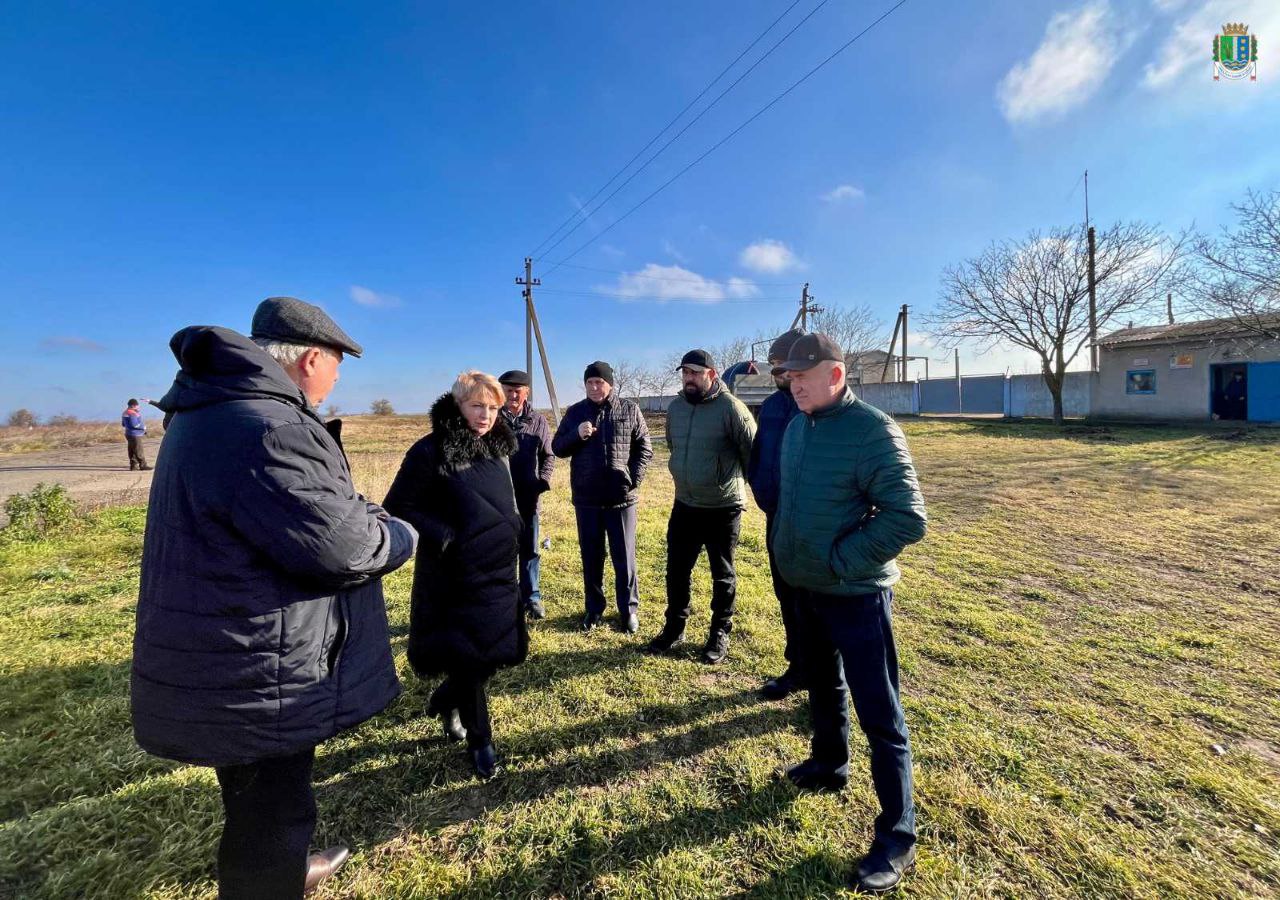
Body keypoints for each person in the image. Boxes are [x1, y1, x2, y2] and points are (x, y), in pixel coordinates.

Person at [131, 296, 418, 899]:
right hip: (259, 661)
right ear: (311, 358)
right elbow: (343, 549)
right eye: (338, 362)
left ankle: (286, 864)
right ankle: (271, 878)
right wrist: (399, 532)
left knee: (258, 797)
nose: (338, 375)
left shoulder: (212, 411)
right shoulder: (273, 429)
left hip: (227, 643)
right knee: (272, 803)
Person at [770, 332, 928, 894]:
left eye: (801, 377)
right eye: (787, 378)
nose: (792, 385)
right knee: (822, 684)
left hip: (856, 594)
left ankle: (897, 836)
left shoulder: (873, 431)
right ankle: (829, 762)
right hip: (808, 589)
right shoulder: (796, 426)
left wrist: (840, 560)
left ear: (836, 375)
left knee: (880, 715)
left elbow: (906, 518)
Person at [383, 371, 527, 780]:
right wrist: (445, 536)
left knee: (494, 652)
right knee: (468, 655)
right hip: (455, 575)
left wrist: (516, 527)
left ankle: (445, 700)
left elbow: (504, 501)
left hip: (499, 569)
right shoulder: (430, 451)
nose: (486, 415)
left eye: (494, 407)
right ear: (458, 404)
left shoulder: (498, 448)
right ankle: (480, 739)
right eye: (478, 406)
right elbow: (398, 504)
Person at [646, 349, 756, 664]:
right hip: (685, 503)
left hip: (723, 507)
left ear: (711, 373)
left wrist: (728, 483)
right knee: (676, 569)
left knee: (722, 574)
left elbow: (752, 453)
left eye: (695, 372)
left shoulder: (732, 409)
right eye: (685, 372)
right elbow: (673, 445)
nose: (689, 378)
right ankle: (674, 628)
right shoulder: (677, 408)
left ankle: (719, 633)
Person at [551, 361, 653, 633]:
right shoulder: (575, 413)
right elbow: (557, 448)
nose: (594, 387)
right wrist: (576, 434)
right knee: (592, 556)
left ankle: (628, 611)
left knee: (624, 557)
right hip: (587, 500)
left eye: (599, 382)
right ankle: (594, 609)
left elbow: (645, 447)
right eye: (590, 383)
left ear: (610, 384)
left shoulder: (629, 410)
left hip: (622, 499)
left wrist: (633, 480)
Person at [745, 329, 806, 696]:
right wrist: (762, 492)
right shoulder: (770, 406)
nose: (777, 372)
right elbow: (759, 456)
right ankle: (798, 666)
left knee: (812, 602)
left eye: (783, 365)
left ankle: (828, 682)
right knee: (786, 594)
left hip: (809, 523)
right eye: (775, 365)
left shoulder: (813, 405)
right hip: (776, 519)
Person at [497, 369, 555, 619]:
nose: (511, 395)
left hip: (529, 499)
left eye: (516, 391)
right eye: (507, 390)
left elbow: (548, 455)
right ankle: (506, 599)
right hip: (498, 500)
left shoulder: (538, 421)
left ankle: (532, 598)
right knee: (502, 550)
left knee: (530, 550)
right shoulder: (492, 420)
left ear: (526, 392)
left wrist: (542, 481)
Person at [120, 398, 153, 470]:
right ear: (133, 405)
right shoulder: (132, 413)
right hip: (135, 434)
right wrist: (143, 427)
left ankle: (133, 466)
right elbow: (134, 425)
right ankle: (143, 465)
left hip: (129, 433)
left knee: (132, 449)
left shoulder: (125, 412)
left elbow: (123, 424)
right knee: (138, 450)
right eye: (137, 405)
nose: (138, 407)